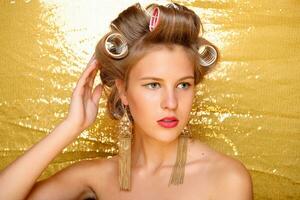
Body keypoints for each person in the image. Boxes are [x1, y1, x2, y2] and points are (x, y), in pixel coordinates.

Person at [0, 2, 253, 200]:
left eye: (183, 85)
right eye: (153, 84)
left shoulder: (226, 178)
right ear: (123, 91)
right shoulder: (98, 176)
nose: (171, 102)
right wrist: (71, 126)